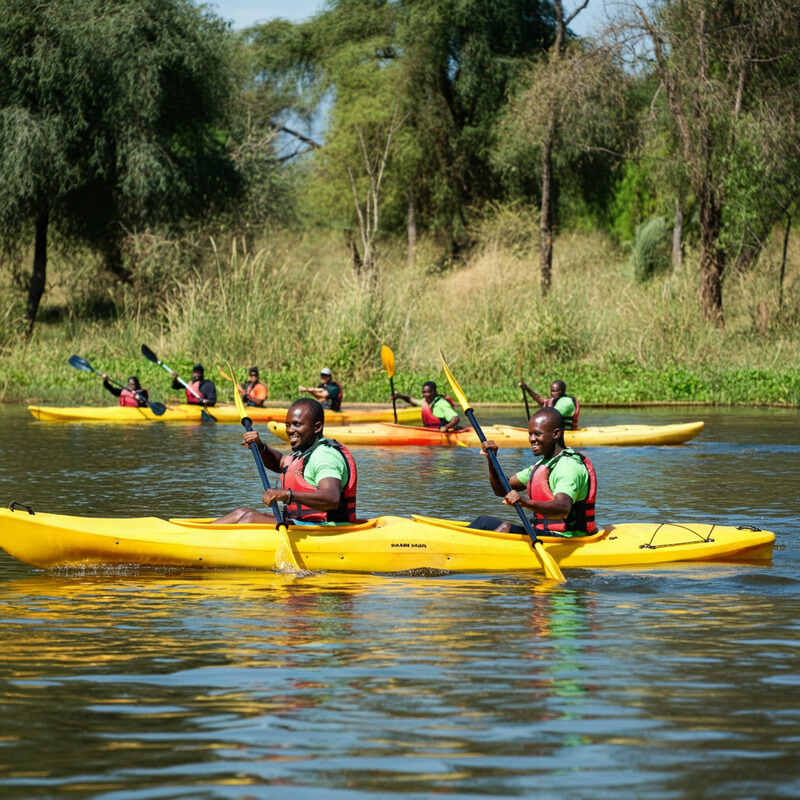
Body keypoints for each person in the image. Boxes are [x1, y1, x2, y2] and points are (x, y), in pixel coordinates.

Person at [212, 398, 358, 524]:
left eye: (296, 424)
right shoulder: (305, 451)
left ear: (317, 427)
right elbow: (280, 463)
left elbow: (331, 498)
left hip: (326, 530)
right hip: (302, 524)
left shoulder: (325, 456)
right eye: (287, 425)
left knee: (248, 518)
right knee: (240, 513)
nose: (289, 430)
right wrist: (261, 446)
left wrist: (287, 495)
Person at [470, 406, 596, 537]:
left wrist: (525, 502)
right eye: (530, 434)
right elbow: (502, 489)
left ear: (556, 434)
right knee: (483, 522)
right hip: (544, 533)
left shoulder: (568, 466)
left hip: (567, 538)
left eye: (537, 434)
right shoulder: (544, 464)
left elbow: (562, 508)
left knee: (505, 528)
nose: (531, 439)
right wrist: (491, 459)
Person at [392, 381, 461, 432]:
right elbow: (412, 401)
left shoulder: (442, 404)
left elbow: (456, 419)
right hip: (429, 431)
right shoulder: (427, 401)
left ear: (434, 392)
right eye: (423, 392)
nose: (423, 395)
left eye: (426, 392)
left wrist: (446, 427)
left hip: (442, 433)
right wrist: (400, 396)